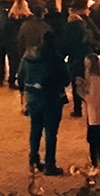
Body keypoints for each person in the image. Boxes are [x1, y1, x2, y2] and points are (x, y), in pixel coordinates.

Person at [18, 30, 68, 175]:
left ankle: (33, 159)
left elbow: (21, 76)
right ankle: (50, 164)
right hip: (51, 98)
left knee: (35, 129)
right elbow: (65, 79)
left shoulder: (29, 57)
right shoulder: (56, 59)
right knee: (51, 133)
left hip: (33, 97)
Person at [60, 0, 100, 118]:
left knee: (77, 82)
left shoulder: (70, 24)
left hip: (75, 58)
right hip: (89, 56)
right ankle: (92, 107)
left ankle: (77, 109)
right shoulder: (88, 21)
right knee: (91, 82)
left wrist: (63, 55)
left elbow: (65, 44)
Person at [75, 54, 100, 166]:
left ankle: (97, 162)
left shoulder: (94, 78)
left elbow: (92, 98)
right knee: (98, 139)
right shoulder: (98, 78)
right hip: (98, 112)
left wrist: (81, 90)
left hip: (96, 113)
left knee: (94, 139)